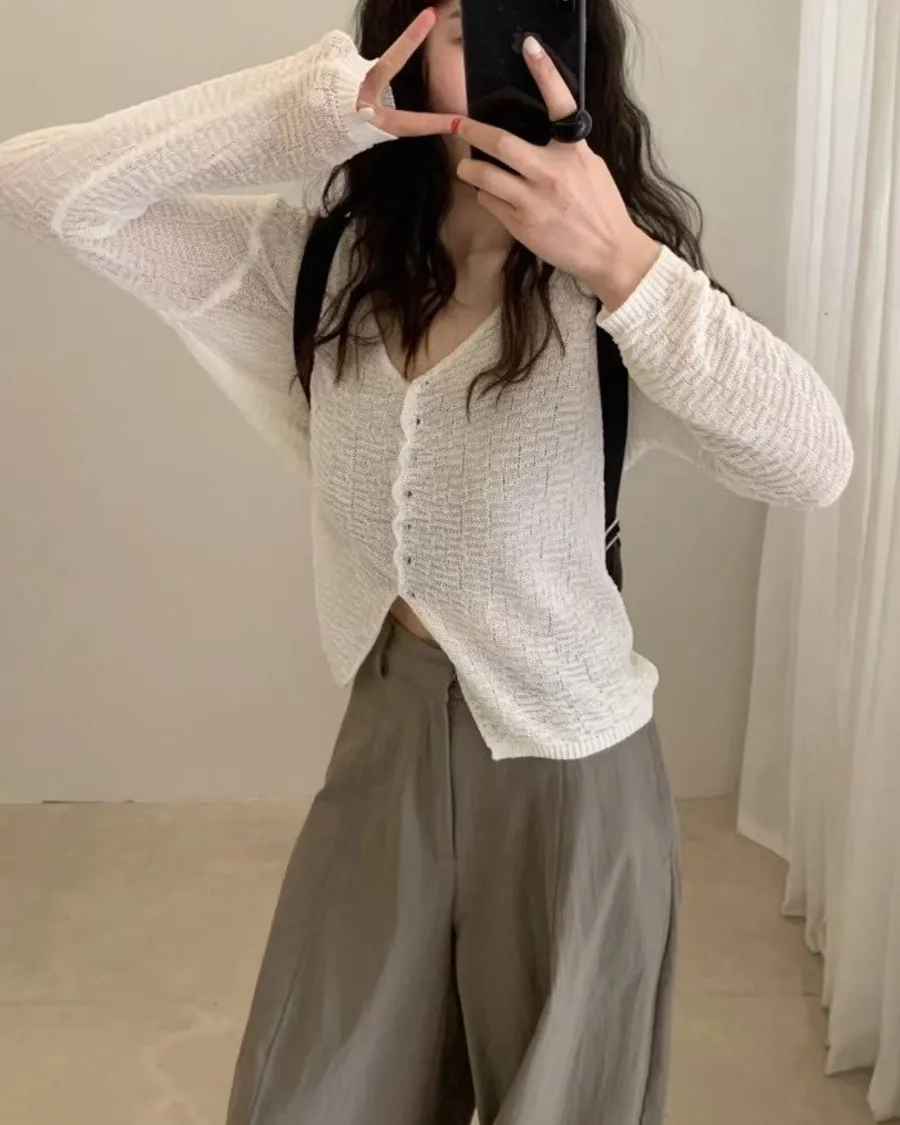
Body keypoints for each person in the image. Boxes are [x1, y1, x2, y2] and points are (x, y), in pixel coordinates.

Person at [0, 1, 853, 1122]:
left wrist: (624, 260)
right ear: (404, 43)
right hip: (386, 738)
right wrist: (312, 109)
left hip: (571, 772)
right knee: (310, 1095)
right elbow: (39, 187)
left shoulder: (614, 297)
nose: (507, 51)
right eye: (464, 21)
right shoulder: (318, 267)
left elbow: (815, 464)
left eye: (534, 13)